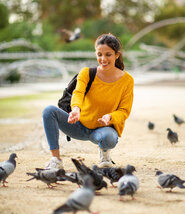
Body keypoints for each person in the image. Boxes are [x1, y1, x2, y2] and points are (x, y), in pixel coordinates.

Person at [42, 33, 134, 169]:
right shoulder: (86, 73)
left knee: (108, 138)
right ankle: (55, 159)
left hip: (103, 129)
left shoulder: (127, 80)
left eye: (108, 54)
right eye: (99, 54)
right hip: (79, 125)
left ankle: (104, 153)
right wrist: (75, 110)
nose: (103, 59)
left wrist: (110, 117)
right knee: (49, 111)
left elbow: (124, 111)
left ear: (117, 55)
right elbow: (77, 93)